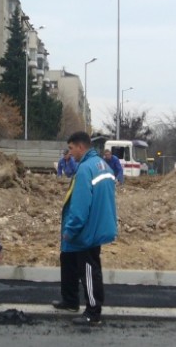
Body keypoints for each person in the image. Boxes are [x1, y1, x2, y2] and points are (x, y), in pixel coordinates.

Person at [52, 131, 117, 326]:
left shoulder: (85, 170)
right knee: (69, 259)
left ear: (81, 147)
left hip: (86, 230)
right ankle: (70, 300)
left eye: (71, 149)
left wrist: (70, 230)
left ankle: (93, 312)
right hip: (97, 225)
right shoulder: (102, 166)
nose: (70, 153)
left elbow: (80, 208)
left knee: (88, 269)